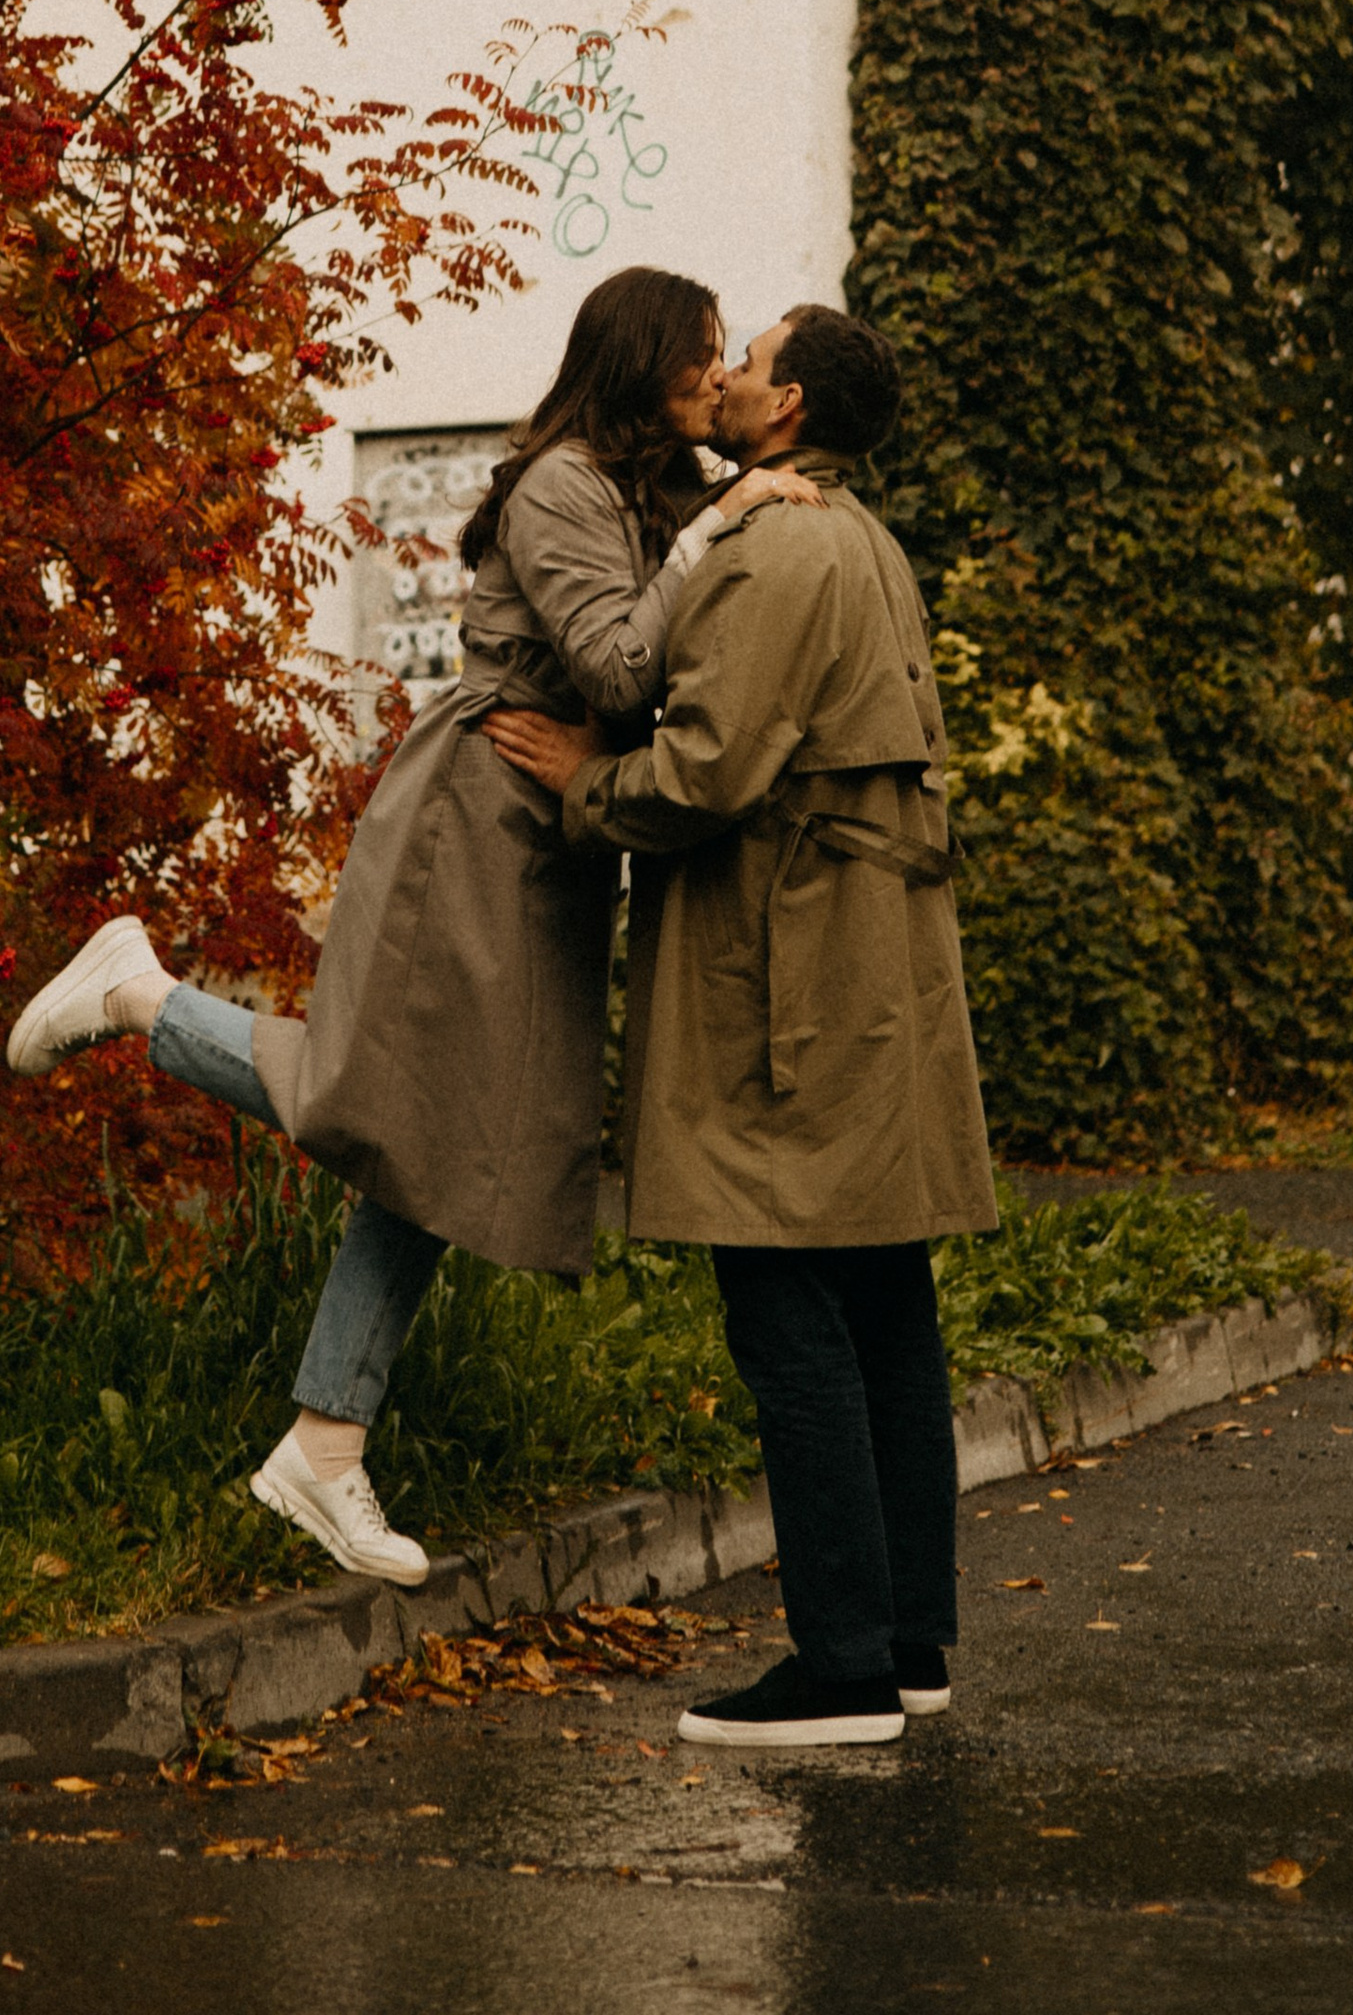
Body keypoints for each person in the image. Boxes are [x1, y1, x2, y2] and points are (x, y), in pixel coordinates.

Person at [0, 267, 818, 1590]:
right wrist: (719, 527)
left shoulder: (638, 486)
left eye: (727, 354)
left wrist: (742, 482)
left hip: (545, 837)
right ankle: (144, 995)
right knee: (380, 1101)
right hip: (475, 820)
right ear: (637, 354)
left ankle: (324, 1440)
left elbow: (672, 612)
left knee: (439, 1136)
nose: (712, 371)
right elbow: (617, 665)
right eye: (698, 350)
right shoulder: (562, 488)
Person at [493, 304, 995, 1750]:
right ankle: (907, 1644)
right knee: (888, 1301)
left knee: (788, 1308)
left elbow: (706, 774)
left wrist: (591, 777)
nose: (721, 376)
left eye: (749, 360)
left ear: (786, 412)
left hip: (789, 980)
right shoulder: (865, 541)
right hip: (868, 974)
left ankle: (839, 1664)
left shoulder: (774, 547)